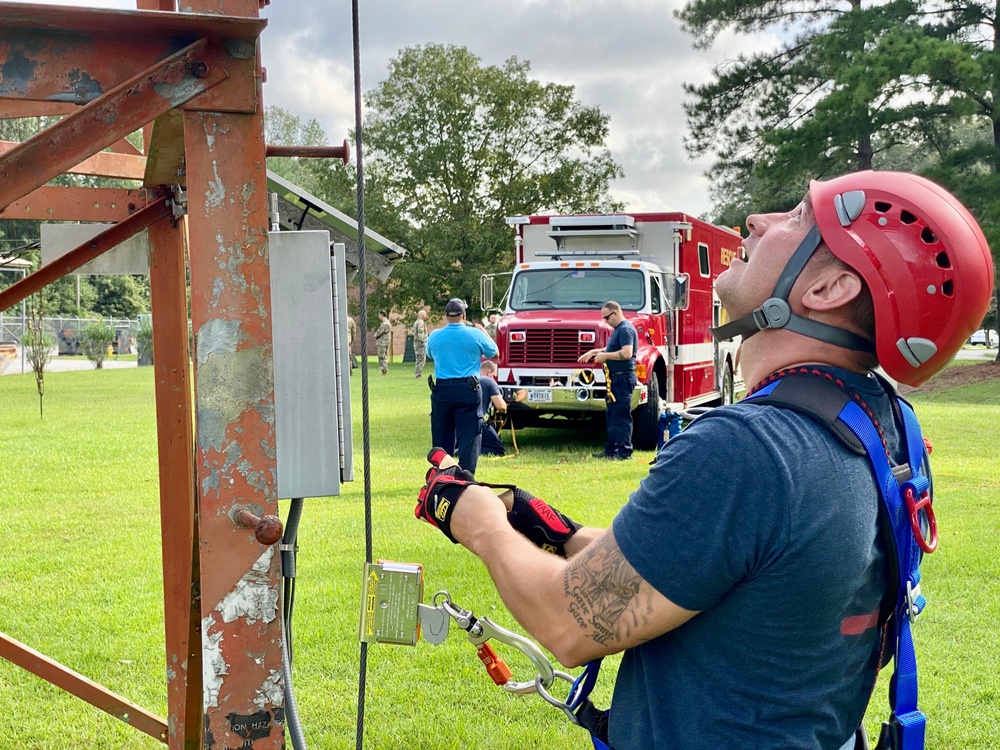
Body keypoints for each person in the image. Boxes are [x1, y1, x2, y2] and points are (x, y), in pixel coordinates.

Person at [414, 171, 993, 750]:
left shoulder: (750, 448)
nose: (757, 222)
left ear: (829, 289)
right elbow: (724, 565)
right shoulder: (885, 426)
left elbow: (567, 622)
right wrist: (557, 532)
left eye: (795, 219)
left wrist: (476, 519)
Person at [425, 298, 499, 475]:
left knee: (442, 435)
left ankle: (443, 476)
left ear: (446, 316)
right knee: (470, 435)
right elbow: (494, 353)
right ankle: (466, 476)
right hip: (468, 389)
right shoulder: (475, 334)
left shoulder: (435, 335)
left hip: (442, 389)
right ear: (464, 315)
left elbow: (429, 353)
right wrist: (484, 332)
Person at [579, 301, 638, 460]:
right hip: (615, 378)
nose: (605, 321)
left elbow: (626, 353)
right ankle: (611, 450)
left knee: (621, 415)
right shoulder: (618, 329)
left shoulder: (625, 329)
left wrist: (605, 357)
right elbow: (611, 349)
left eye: (607, 318)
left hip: (623, 377)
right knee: (612, 415)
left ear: (616, 313)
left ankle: (624, 452)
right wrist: (594, 351)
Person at [478, 360, 507, 457]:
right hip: (480, 423)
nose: (493, 377)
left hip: (460, 423)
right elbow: (501, 407)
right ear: (489, 372)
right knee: (498, 450)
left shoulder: (469, 378)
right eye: (493, 375)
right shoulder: (489, 381)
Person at [412, 309, 429, 378]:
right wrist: (424, 342)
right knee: (421, 359)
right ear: (422, 315)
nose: (426, 316)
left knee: (419, 359)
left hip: (417, 344)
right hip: (420, 344)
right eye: (425, 315)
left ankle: (418, 373)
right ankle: (418, 375)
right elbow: (420, 334)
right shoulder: (420, 323)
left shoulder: (416, 322)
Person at [374, 310, 391, 376]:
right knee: (383, 356)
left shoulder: (385, 323)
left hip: (383, 342)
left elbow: (379, 332)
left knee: (381, 356)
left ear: (381, 315)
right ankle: (384, 370)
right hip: (384, 342)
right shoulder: (386, 322)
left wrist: (375, 335)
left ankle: (384, 370)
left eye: (379, 315)